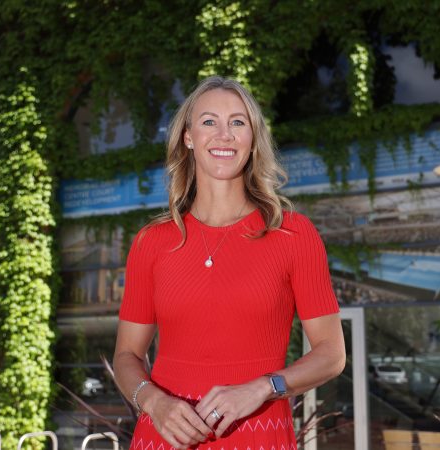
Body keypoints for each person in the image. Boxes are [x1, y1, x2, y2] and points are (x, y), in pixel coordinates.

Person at [113, 76, 346, 449]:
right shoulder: (151, 243)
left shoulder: (293, 235)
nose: (224, 134)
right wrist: (154, 403)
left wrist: (263, 388)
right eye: (209, 122)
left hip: (260, 437)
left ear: (252, 139)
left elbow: (332, 355)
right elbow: (126, 355)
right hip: (162, 439)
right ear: (188, 137)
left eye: (238, 122)